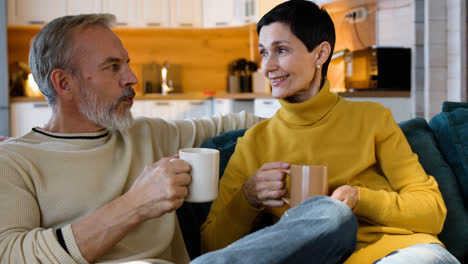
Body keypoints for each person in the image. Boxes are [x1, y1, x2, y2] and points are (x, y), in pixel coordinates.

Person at [201, 1, 460, 264]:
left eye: (281, 50)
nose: (267, 67)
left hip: (403, 253)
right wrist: (248, 198)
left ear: (321, 54)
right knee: (327, 214)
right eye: (264, 52)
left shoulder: (372, 119)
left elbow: (432, 212)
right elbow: (211, 245)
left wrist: (358, 198)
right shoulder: (254, 143)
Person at [0, 14, 263, 264]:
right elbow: (10, 255)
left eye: (126, 64)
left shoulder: (146, 133)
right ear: (64, 83)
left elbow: (236, 123)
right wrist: (136, 204)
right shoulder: (14, 161)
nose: (132, 78)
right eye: (113, 67)